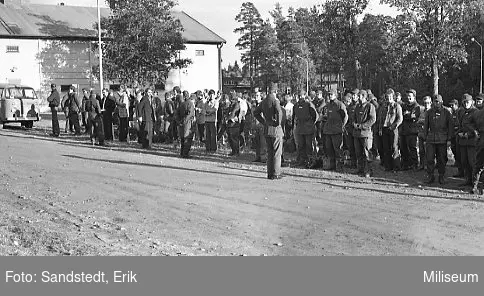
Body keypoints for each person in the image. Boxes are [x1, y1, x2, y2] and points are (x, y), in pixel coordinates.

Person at [253, 84, 285, 180]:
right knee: (277, 152)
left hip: (267, 128)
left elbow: (256, 113)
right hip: (275, 129)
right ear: (275, 92)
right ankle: (276, 173)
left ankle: (270, 173)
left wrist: (264, 122)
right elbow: (279, 112)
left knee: (270, 152)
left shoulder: (263, 102)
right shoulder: (275, 101)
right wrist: (278, 123)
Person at [423, 94, 454, 185]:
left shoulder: (447, 112)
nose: (436, 103)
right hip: (431, 139)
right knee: (429, 158)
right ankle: (430, 176)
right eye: (435, 101)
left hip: (442, 139)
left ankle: (441, 176)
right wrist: (425, 138)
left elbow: (450, 127)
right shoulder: (429, 112)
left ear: (442, 102)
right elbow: (426, 127)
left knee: (442, 159)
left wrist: (449, 139)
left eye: (438, 101)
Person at [377, 88, 403, 172]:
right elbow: (381, 118)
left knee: (394, 147)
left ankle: (396, 167)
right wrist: (380, 129)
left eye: (390, 97)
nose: (389, 99)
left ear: (393, 97)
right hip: (384, 129)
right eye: (387, 97)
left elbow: (400, 119)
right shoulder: (383, 106)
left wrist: (393, 126)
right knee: (386, 148)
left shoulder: (397, 106)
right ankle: (388, 166)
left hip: (393, 129)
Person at [322, 89, 348, 171]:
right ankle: (331, 164)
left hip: (337, 130)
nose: (330, 96)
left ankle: (339, 166)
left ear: (335, 95)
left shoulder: (340, 105)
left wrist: (342, 126)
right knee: (329, 148)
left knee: (337, 149)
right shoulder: (328, 105)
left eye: (331, 94)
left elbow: (345, 117)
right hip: (329, 130)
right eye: (329, 94)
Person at [353, 89, 376, 177]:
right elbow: (354, 117)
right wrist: (354, 124)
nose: (358, 97)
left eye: (359, 96)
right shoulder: (357, 106)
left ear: (363, 96)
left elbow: (372, 119)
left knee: (367, 153)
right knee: (358, 153)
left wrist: (362, 126)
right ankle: (360, 169)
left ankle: (369, 171)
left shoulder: (370, 106)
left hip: (366, 133)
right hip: (357, 133)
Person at [292, 90, 318, 168]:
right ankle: (302, 160)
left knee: (309, 145)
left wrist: (311, 124)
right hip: (300, 128)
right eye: (298, 96)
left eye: (301, 95)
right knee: (300, 145)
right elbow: (294, 117)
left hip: (308, 128)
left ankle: (311, 161)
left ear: (305, 95)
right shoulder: (295, 106)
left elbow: (315, 116)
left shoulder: (309, 104)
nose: (300, 97)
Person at [456, 94, 477, 187]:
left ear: (472, 102)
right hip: (462, 141)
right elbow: (460, 125)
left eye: (467, 102)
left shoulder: (476, 112)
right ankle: (468, 179)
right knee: (464, 161)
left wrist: (467, 134)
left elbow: (477, 128)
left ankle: (475, 182)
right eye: (464, 102)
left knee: (472, 162)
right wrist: (459, 133)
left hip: (472, 141)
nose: (466, 104)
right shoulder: (461, 112)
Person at [400, 89, 421, 171]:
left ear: (414, 97)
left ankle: (415, 164)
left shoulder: (416, 106)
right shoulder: (404, 105)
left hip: (412, 131)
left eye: (410, 96)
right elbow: (401, 115)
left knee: (412, 148)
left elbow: (413, 117)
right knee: (403, 148)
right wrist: (407, 115)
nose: (408, 98)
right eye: (407, 96)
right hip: (404, 130)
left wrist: (407, 115)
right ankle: (406, 164)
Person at [175, 93, 196, 158]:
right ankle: (185, 153)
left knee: (183, 139)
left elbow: (177, 113)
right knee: (188, 138)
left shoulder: (181, 104)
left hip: (182, 123)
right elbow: (190, 114)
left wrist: (179, 121)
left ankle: (182, 152)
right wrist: (184, 121)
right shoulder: (190, 104)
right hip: (188, 123)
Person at [449, 99, 463, 177]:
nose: (451, 106)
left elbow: (459, 124)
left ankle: (461, 170)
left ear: (456, 105)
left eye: (452, 105)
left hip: (458, 134)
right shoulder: (452, 113)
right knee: (454, 149)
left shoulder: (459, 112)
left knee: (459, 153)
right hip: (453, 135)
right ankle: (457, 164)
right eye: (450, 105)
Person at [417, 96, 432, 171]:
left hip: (428, 134)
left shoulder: (431, 112)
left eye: (428, 103)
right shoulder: (422, 112)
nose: (426, 104)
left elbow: (430, 123)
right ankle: (422, 164)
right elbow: (418, 121)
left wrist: (423, 122)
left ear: (430, 103)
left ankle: (427, 165)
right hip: (421, 133)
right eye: (425, 103)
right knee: (421, 150)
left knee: (428, 151)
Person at [226, 91, 241, 156]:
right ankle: (233, 151)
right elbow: (228, 112)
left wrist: (228, 118)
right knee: (230, 139)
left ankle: (236, 152)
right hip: (230, 124)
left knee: (234, 139)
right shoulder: (231, 105)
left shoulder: (236, 104)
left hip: (235, 124)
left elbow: (233, 113)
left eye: (232, 98)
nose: (231, 99)